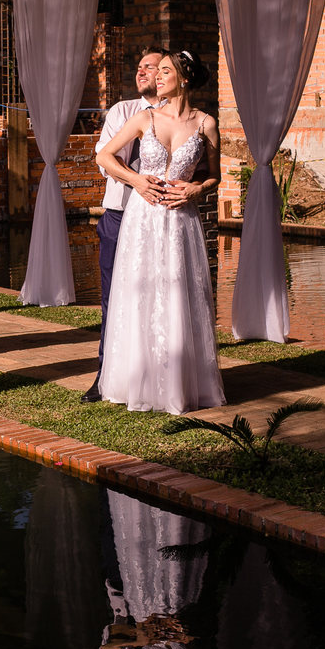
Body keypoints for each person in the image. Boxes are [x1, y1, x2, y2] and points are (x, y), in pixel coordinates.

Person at [94, 50, 225, 414]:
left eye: (165, 71)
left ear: (183, 78)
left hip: (181, 219)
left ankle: (178, 382)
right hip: (143, 215)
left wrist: (199, 189)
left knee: (178, 290)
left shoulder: (206, 124)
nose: (158, 76)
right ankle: (135, 380)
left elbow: (215, 175)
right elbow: (104, 156)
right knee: (140, 291)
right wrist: (136, 180)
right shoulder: (144, 118)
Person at [81, 47, 167, 404]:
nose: (143, 71)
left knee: (159, 297)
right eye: (140, 66)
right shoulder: (123, 111)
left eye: (152, 67)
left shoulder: (182, 117)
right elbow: (106, 161)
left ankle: (160, 374)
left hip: (161, 220)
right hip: (119, 216)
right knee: (112, 299)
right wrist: (137, 180)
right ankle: (106, 376)